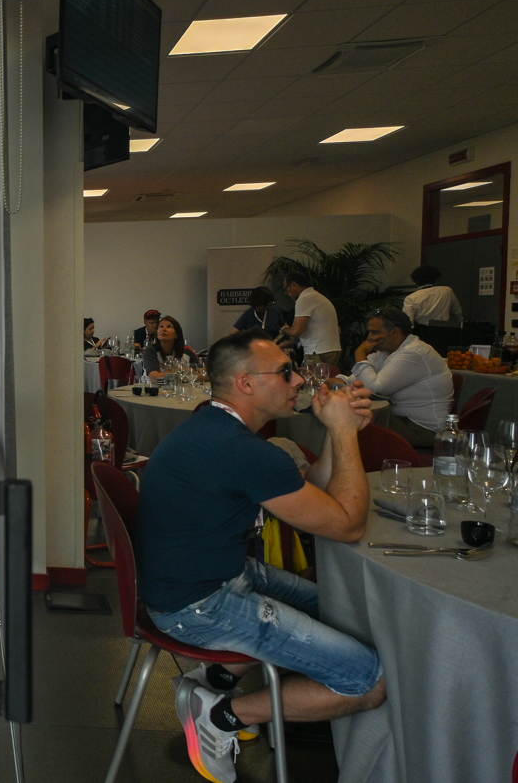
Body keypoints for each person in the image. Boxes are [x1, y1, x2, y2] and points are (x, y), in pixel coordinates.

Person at [137, 329, 385, 783]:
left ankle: (211, 684)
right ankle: (222, 716)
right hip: (196, 605)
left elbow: (313, 491)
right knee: (370, 681)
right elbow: (348, 524)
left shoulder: (214, 429)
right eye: (286, 372)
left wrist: (338, 433)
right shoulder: (240, 450)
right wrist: (346, 432)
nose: (299, 381)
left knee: (343, 611)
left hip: (209, 577)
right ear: (246, 383)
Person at [349, 307, 453, 447]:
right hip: (401, 420)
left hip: (423, 430)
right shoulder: (387, 350)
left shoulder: (413, 352)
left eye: (375, 332)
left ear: (395, 332)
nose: (369, 338)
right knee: (350, 414)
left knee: (353, 418)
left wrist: (360, 353)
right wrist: (327, 382)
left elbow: (374, 388)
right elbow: (356, 378)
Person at [278, 272, 342, 366]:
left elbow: (296, 332)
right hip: (331, 349)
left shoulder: (305, 298)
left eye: (286, 288)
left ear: (294, 285)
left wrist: (284, 329)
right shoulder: (317, 296)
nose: (286, 293)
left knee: (312, 376)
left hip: (317, 351)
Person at [142, 315, 197, 379]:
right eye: (161, 326)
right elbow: (154, 377)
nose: (164, 329)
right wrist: (184, 371)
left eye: (169, 327)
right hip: (152, 385)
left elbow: (203, 373)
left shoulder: (187, 350)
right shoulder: (150, 350)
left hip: (181, 385)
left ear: (176, 334)